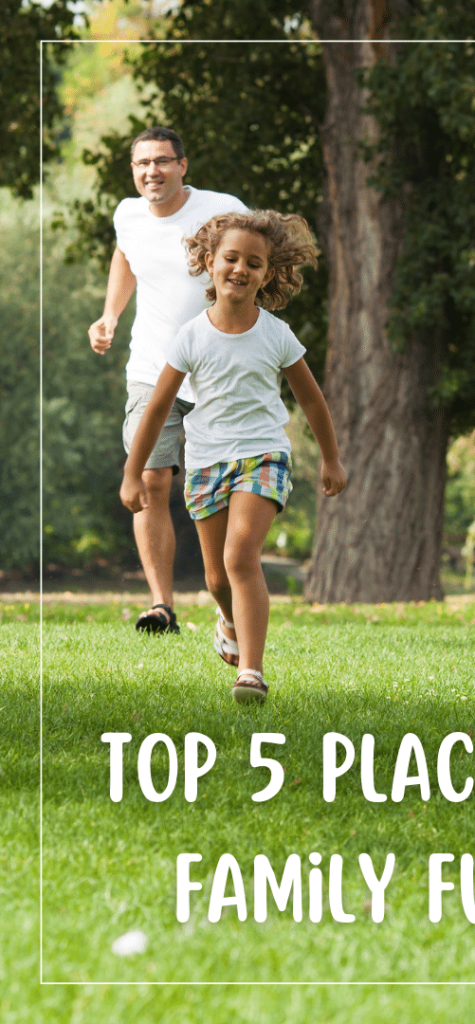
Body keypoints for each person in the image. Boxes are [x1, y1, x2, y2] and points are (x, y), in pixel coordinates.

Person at [120, 210, 347, 704]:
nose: (240, 269)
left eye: (254, 262)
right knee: (217, 577)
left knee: (240, 556)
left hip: (263, 454)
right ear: (208, 263)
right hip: (205, 462)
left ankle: (251, 672)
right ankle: (226, 620)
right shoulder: (190, 337)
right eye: (230, 258)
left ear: (268, 274)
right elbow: (156, 409)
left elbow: (311, 400)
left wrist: (330, 460)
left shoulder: (276, 334)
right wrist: (132, 472)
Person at [89, 126, 247, 635]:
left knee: (216, 493)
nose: (151, 172)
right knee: (151, 480)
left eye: (161, 161)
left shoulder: (223, 210)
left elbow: (257, 263)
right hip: (152, 370)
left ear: (183, 166)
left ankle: (226, 601)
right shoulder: (128, 214)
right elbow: (126, 256)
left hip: (217, 371)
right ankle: (161, 606)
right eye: (141, 164)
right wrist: (110, 315)